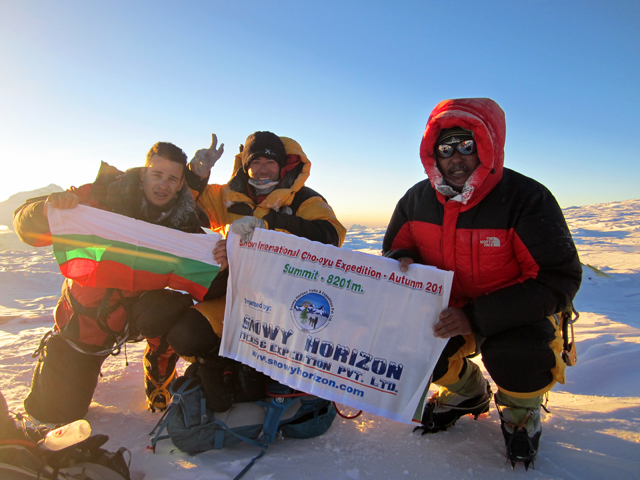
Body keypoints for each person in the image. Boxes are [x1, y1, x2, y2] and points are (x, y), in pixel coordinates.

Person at [382, 98, 582, 468]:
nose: (455, 157)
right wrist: (399, 261)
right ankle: (468, 393)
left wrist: (476, 317)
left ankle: (520, 412)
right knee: (408, 344)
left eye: (466, 145)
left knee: (518, 355)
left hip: (516, 312)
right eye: (445, 149)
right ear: (432, 154)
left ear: (486, 147)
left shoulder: (526, 199)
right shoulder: (416, 200)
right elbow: (397, 247)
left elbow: (558, 278)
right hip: (449, 308)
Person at [13, 141, 211, 423]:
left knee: (174, 309)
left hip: (140, 311)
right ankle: (65, 361)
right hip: (89, 322)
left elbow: (205, 264)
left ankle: (159, 369)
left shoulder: (185, 221)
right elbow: (26, 228)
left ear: (181, 184)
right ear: (143, 174)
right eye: (157, 175)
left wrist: (222, 254)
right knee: (56, 413)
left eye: (172, 179)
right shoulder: (99, 197)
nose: (163, 185)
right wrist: (47, 209)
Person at [165, 131, 346, 411]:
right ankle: (223, 364)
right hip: (236, 295)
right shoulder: (227, 196)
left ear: (282, 165)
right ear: (245, 165)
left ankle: (259, 373)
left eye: (270, 161)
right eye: (256, 161)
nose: (263, 168)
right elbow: (185, 206)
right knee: (185, 335)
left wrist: (270, 227)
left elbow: (331, 235)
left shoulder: (303, 199)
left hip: (285, 302)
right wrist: (196, 175)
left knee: (258, 387)